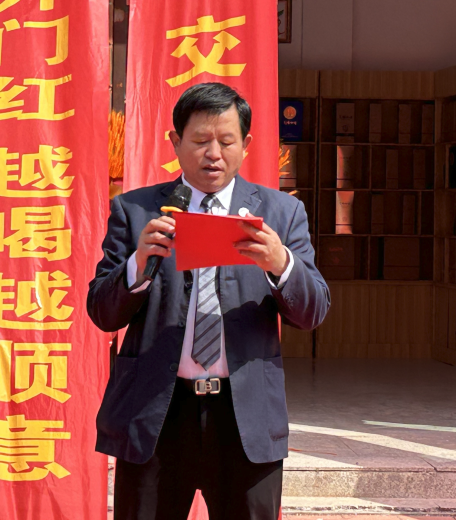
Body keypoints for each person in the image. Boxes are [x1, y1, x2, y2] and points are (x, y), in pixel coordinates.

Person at [87, 83, 330, 520]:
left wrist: (281, 263)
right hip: (157, 414)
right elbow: (102, 312)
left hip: (244, 417)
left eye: (226, 141)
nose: (213, 154)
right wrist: (137, 264)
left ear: (247, 144)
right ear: (175, 142)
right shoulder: (136, 211)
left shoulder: (281, 213)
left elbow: (312, 312)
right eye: (200, 141)